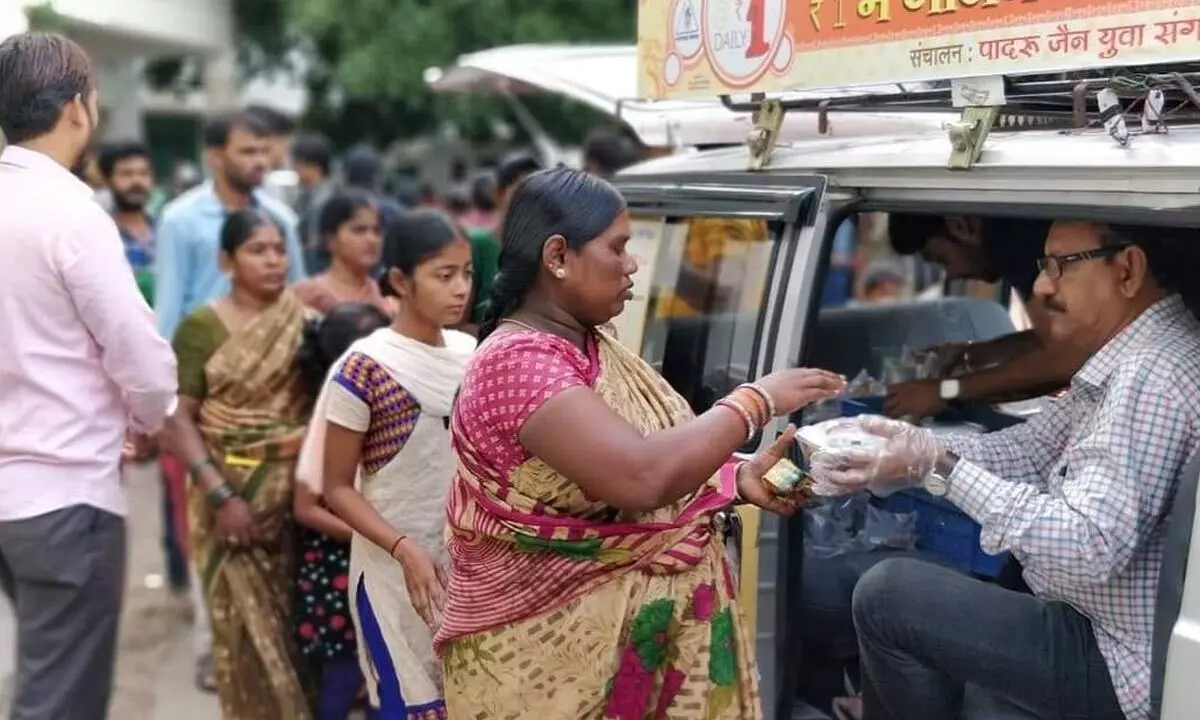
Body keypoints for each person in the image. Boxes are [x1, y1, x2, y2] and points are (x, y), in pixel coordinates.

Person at [439, 168, 846, 718]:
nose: (633, 264)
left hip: (632, 650)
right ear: (557, 256)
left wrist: (733, 478)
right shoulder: (518, 364)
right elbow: (640, 476)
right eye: (618, 248)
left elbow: (637, 464)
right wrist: (755, 402)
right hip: (549, 664)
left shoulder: (589, 345)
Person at [808, 220, 1200, 720]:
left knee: (885, 597)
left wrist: (945, 468)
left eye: (1061, 266)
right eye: (1042, 267)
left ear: (1127, 269)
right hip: (1091, 618)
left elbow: (1090, 546)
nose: (1041, 286)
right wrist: (913, 452)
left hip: (1113, 658)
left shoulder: (1152, 376)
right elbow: (1034, 450)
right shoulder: (1134, 358)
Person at [0, 32, 178, 720]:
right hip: (64, 493)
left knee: (44, 676)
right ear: (79, 108)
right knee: (60, 698)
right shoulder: (73, 212)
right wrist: (146, 419)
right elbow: (141, 357)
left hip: (23, 497)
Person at [155, 109, 307, 691]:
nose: (259, 162)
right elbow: (170, 311)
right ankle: (212, 650)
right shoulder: (181, 221)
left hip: (278, 407)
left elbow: (296, 308)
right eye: (247, 151)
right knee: (212, 542)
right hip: (208, 391)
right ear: (215, 155)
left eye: (265, 151)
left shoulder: (282, 218)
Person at [310, 211, 477, 717]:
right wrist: (403, 550)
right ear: (401, 281)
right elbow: (335, 488)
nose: (461, 289)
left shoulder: (472, 355)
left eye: (467, 273)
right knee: (410, 700)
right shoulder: (363, 369)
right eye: (444, 275)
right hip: (394, 578)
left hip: (468, 572)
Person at [293, 302, 393, 720]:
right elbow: (305, 507)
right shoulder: (328, 421)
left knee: (382, 671)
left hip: (378, 559)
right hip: (339, 568)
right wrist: (369, 535)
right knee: (347, 673)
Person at [883, 213, 1084, 418]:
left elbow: (1063, 358)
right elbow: (1057, 340)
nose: (952, 274)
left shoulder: (1012, 239)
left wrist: (943, 391)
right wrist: (973, 354)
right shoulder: (1021, 232)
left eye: (942, 259)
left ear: (961, 226)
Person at [292, 191, 393, 317]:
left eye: (376, 231)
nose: (371, 240)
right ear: (330, 239)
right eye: (359, 230)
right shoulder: (306, 296)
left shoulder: (386, 299)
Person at [98, 141, 158, 304]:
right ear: (107, 180)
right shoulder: (98, 236)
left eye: (143, 173)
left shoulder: (165, 230)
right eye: (126, 174)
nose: (137, 181)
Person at [292, 131, 336, 270]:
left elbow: (313, 245)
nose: (295, 170)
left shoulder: (325, 200)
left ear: (314, 167)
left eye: (298, 164)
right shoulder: (305, 196)